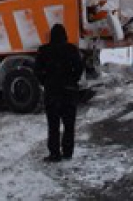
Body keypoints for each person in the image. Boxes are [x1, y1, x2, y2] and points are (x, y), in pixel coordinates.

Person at [35, 23, 84, 162]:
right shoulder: (72, 50)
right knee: (69, 125)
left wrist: (45, 82)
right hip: (69, 92)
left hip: (52, 93)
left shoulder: (43, 51)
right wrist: (72, 80)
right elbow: (79, 68)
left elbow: (37, 71)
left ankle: (54, 153)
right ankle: (68, 152)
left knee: (53, 125)